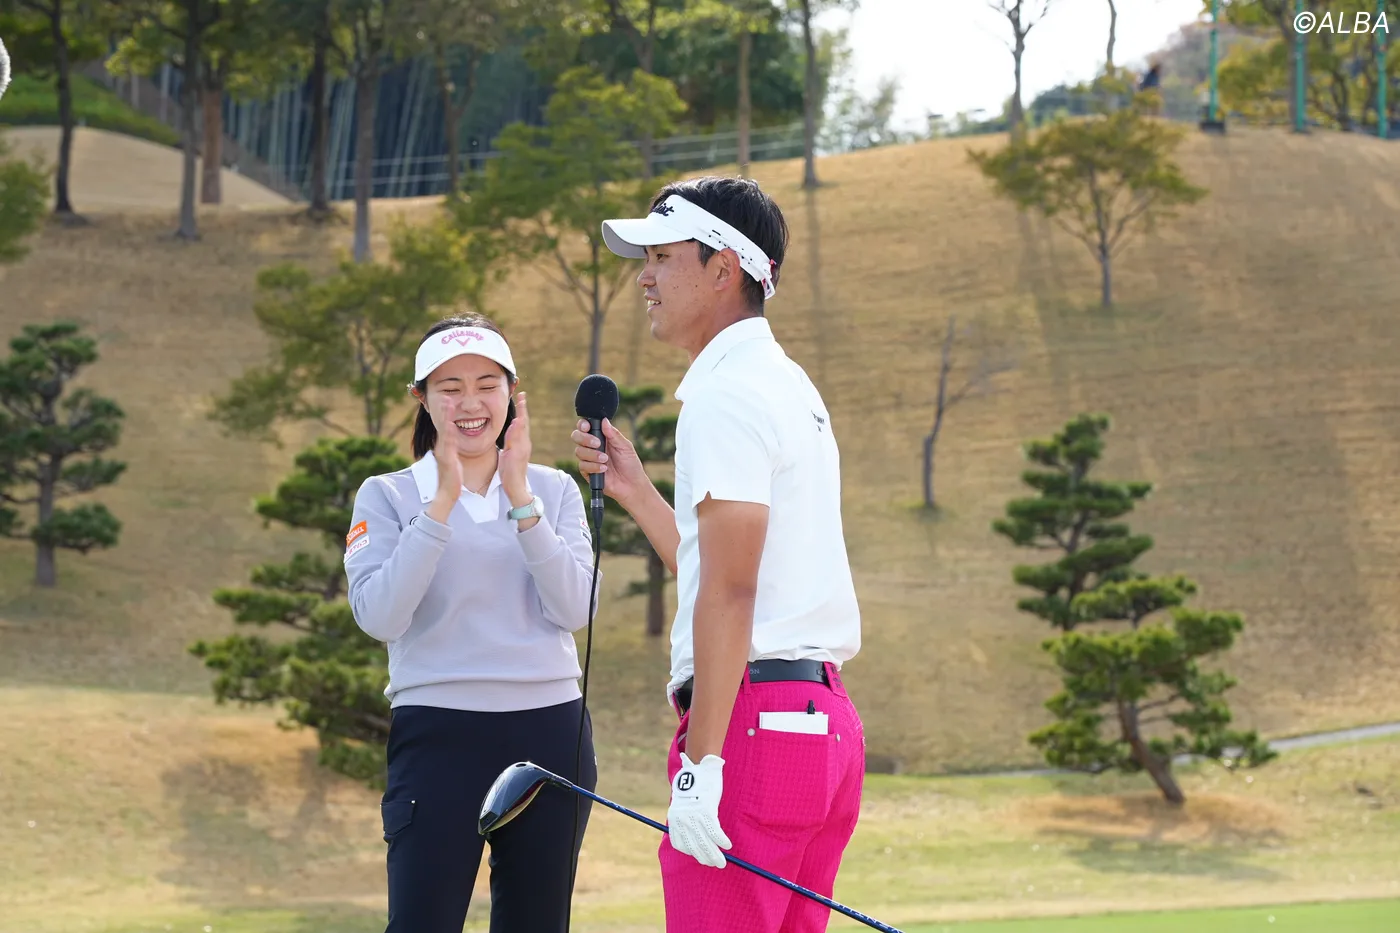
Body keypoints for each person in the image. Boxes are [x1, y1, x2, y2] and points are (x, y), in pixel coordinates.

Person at [571, 176, 865, 932]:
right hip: (820, 725)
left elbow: (731, 594)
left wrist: (701, 766)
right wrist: (638, 491)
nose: (644, 278)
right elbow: (729, 573)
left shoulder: (725, 394)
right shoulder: (786, 383)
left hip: (751, 727)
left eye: (662, 257)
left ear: (723, 269)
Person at [345, 313, 601, 933]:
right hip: (437, 734)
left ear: (513, 395)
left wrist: (521, 500)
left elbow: (575, 609)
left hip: (550, 731)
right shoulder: (387, 495)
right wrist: (439, 507)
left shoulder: (554, 491)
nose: (470, 403)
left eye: (487, 385)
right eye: (450, 387)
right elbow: (380, 615)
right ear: (421, 398)